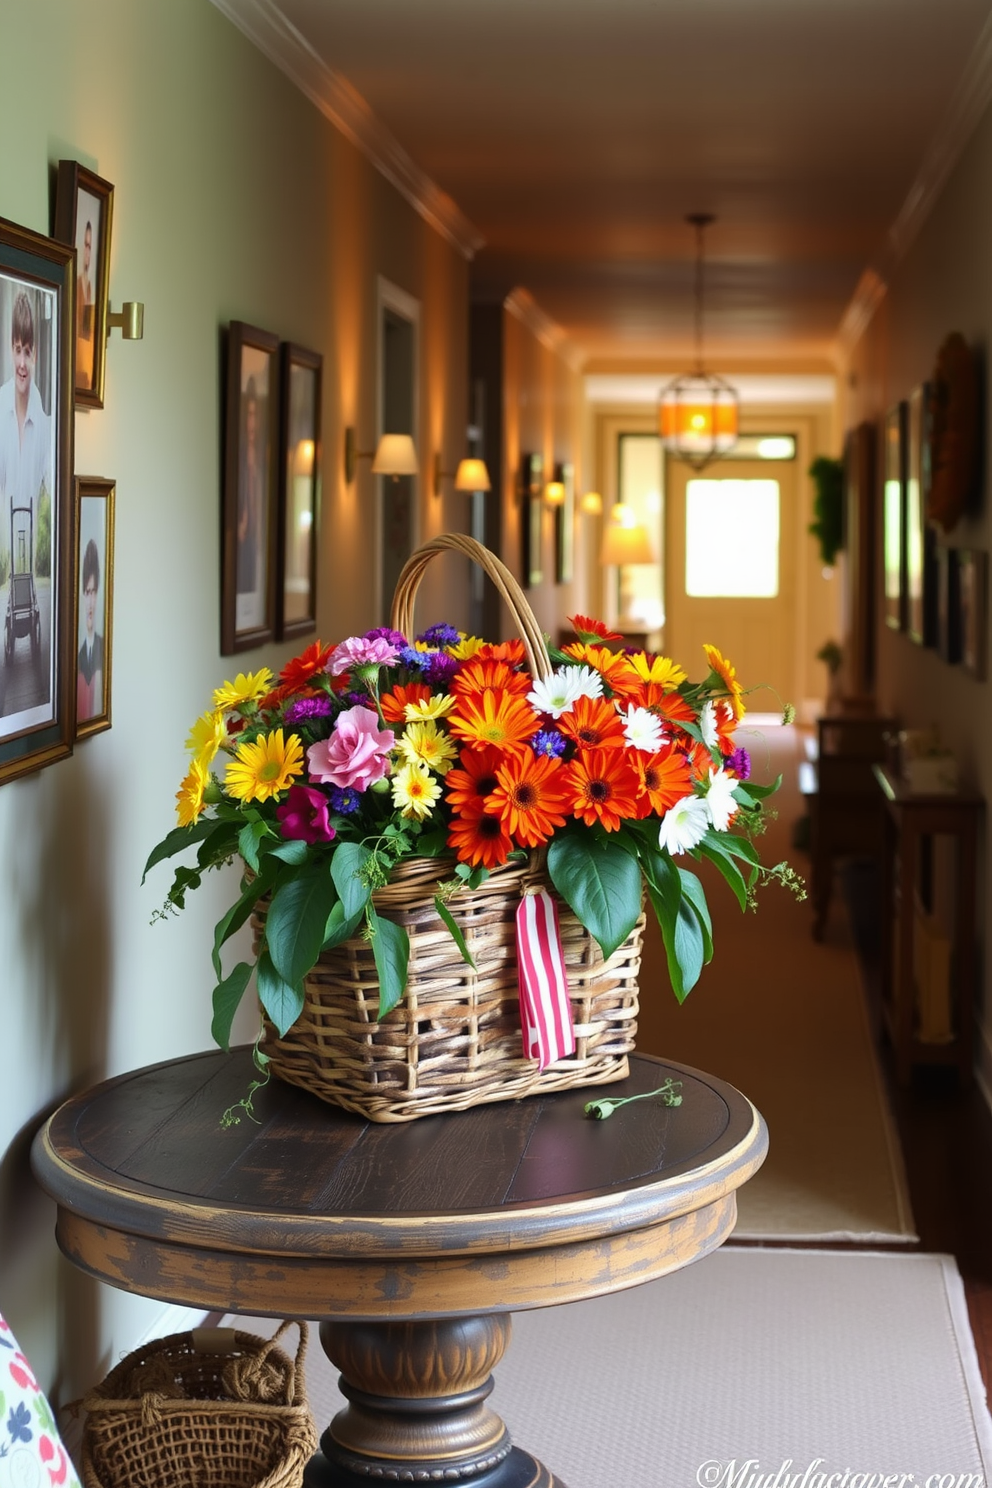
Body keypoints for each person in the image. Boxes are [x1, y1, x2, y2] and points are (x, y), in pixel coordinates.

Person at [0, 288, 52, 537]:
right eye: (18, 349)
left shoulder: (45, 425)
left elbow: (54, 498)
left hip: (32, 559)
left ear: (36, 356)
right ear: (11, 349)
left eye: (28, 351)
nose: (22, 362)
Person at [236, 374, 265, 600]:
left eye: (256, 415)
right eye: (249, 415)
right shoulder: (241, 456)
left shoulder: (261, 456)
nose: (252, 423)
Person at [76, 537, 104, 720]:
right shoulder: (79, 656)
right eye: (87, 592)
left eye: (93, 592)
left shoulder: (103, 647)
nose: (90, 601)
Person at [76, 219, 94, 389]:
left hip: (85, 367)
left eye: (90, 247)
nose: (87, 251)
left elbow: (87, 332)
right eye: (85, 245)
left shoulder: (89, 288)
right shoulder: (76, 284)